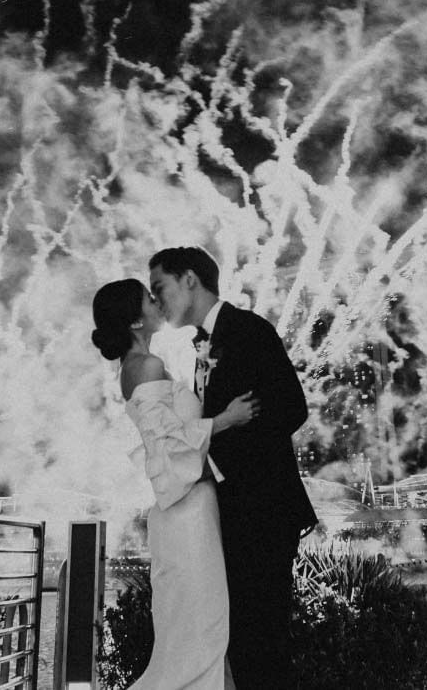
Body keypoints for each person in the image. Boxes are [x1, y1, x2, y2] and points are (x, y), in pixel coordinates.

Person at [147, 247, 318, 690]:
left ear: (189, 280)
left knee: (262, 639)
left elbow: (290, 409)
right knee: (244, 636)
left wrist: (218, 463)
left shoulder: (246, 330)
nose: (157, 300)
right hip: (237, 511)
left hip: (262, 509)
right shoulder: (208, 342)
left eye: (159, 287)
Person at [91, 278, 257, 690]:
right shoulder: (144, 367)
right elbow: (165, 449)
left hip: (190, 510)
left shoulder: (144, 365)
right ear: (134, 320)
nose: (157, 300)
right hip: (186, 513)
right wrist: (226, 419)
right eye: (149, 298)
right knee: (198, 637)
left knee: (201, 635)